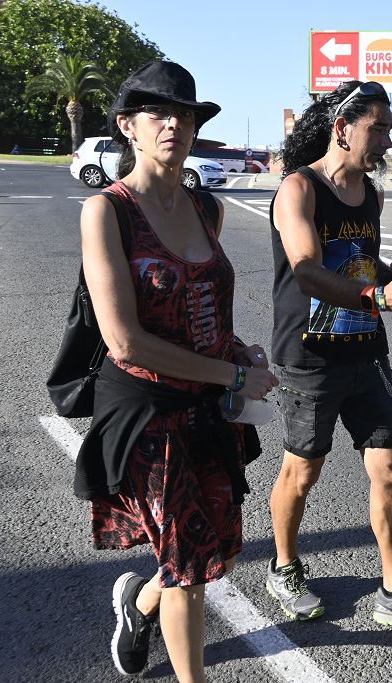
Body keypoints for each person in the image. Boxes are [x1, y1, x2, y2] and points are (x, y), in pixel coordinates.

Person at [73, 60, 277, 682]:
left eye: (184, 115)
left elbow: (204, 309)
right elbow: (125, 341)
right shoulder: (108, 213)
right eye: (158, 113)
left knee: (215, 549)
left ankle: (137, 606)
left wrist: (236, 351)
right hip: (147, 411)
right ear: (127, 127)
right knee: (188, 568)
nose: (174, 125)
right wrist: (234, 379)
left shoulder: (206, 208)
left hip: (209, 408)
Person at [266, 80, 392, 627]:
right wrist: (380, 295)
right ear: (342, 128)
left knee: (391, 469)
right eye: (377, 129)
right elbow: (307, 270)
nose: (386, 143)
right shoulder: (298, 190)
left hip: (365, 351)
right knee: (303, 471)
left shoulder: (372, 195)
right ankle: (283, 566)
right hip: (310, 356)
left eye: (388, 131)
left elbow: (359, 261)